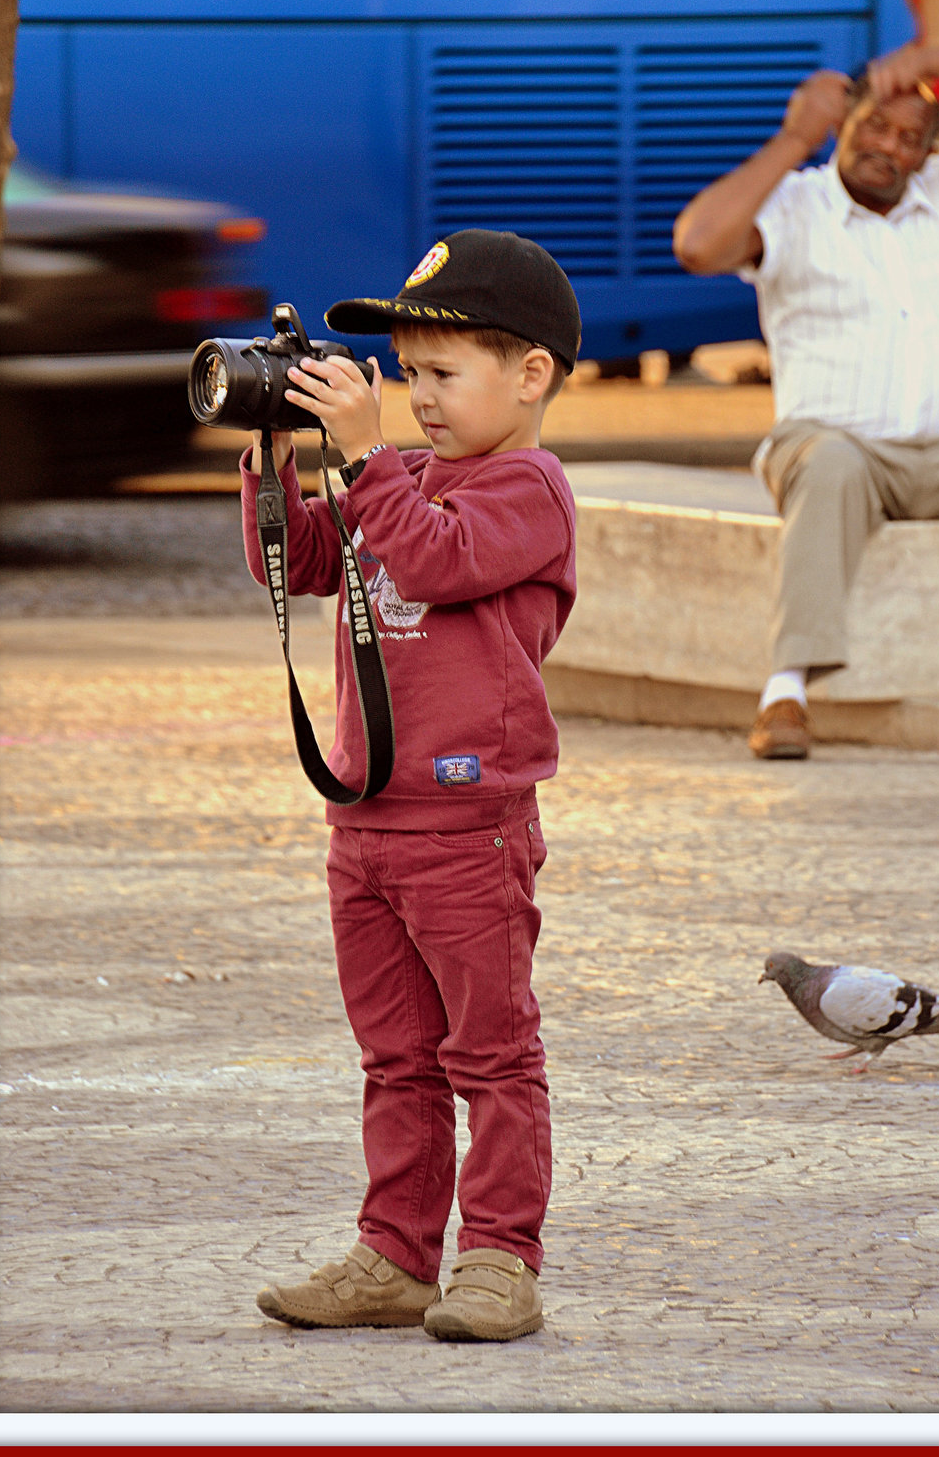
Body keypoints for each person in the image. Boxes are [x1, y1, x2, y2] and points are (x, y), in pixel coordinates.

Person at [241, 228, 581, 1340]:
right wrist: (274, 453)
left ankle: (497, 1260)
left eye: (442, 374)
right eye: (408, 375)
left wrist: (370, 459)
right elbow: (292, 563)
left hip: (467, 825)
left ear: (529, 375)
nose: (418, 399)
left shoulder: (529, 490)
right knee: (395, 1057)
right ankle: (393, 1254)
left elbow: (433, 558)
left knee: (489, 1052)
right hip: (365, 820)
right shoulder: (403, 480)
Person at [673, 33, 939, 759]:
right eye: (874, 125)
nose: (890, 146)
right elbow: (697, 244)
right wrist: (796, 137)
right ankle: (785, 694)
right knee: (833, 466)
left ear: (927, 153)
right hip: (829, 444)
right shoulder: (794, 204)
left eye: (910, 137)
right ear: (843, 127)